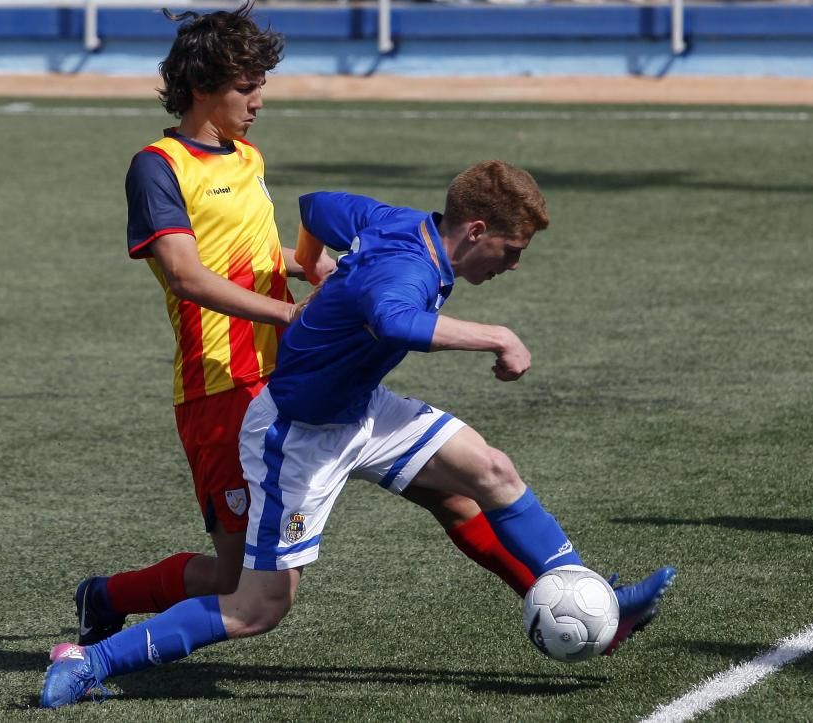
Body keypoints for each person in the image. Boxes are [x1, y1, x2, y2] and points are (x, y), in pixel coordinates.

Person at [41, 160, 676, 708]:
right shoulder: (408, 270)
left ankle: (599, 598)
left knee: (491, 471)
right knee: (257, 607)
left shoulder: (401, 222)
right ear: (477, 231)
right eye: (511, 251)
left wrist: (314, 267)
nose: (513, 264)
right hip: (298, 437)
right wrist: (498, 335)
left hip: (361, 411)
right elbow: (394, 322)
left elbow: (317, 206)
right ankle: (89, 662)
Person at [75, 2, 549, 654]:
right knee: (237, 579)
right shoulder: (157, 166)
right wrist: (285, 311)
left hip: (297, 371)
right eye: (246, 86)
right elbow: (186, 273)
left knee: (458, 493)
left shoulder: (245, 157)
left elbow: (254, 250)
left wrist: (315, 270)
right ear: (201, 87)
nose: (259, 100)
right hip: (223, 386)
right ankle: (107, 597)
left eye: (261, 84)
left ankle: (563, 592)